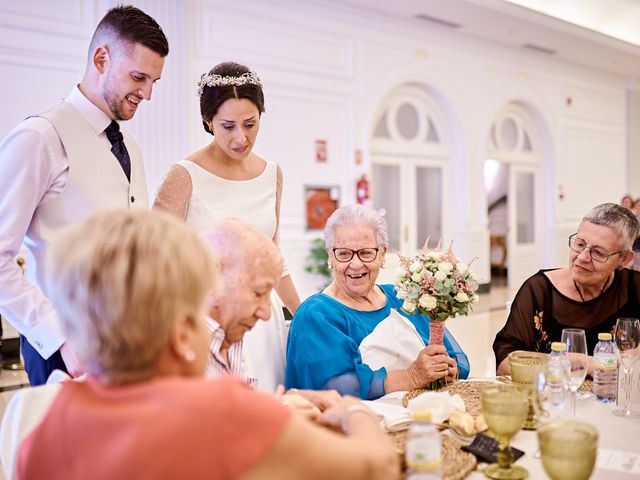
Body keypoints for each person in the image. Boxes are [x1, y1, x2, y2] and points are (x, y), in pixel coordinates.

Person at [15, 209, 400, 480]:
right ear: (181, 331)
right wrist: (351, 410)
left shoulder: (46, 429)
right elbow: (377, 466)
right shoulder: (216, 411)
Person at [0, 5, 169, 385]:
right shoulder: (39, 138)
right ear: (101, 58)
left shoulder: (131, 145)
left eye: (154, 81)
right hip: (65, 351)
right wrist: (57, 336)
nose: (147, 93)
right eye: (139, 77)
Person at [154, 61, 300, 392]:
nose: (241, 137)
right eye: (228, 126)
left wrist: (303, 314)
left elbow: (274, 256)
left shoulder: (271, 173)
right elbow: (156, 262)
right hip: (206, 322)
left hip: (262, 322)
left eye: (250, 124)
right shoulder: (184, 176)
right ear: (208, 122)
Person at [286, 204, 470, 400]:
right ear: (330, 255)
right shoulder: (316, 314)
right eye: (344, 253)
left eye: (366, 253)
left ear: (382, 254)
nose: (355, 264)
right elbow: (334, 387)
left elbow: (453, 355)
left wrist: (447, 368)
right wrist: (411, 377)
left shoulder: (403, 297)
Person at [201, 218, 340, 414]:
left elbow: (238, 411)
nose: (266, 314)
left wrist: (293, 400)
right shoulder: (173, 349)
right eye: (258, 293)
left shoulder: (228, 335)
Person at [493, 202, 640, 375]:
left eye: (598, 252)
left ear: (624, 259)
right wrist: (577, 362)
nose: (583, 257)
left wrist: (590, 362)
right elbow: (504, 364)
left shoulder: (634, 287)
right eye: (579, 244)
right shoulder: (539, 290)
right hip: (553, 398)